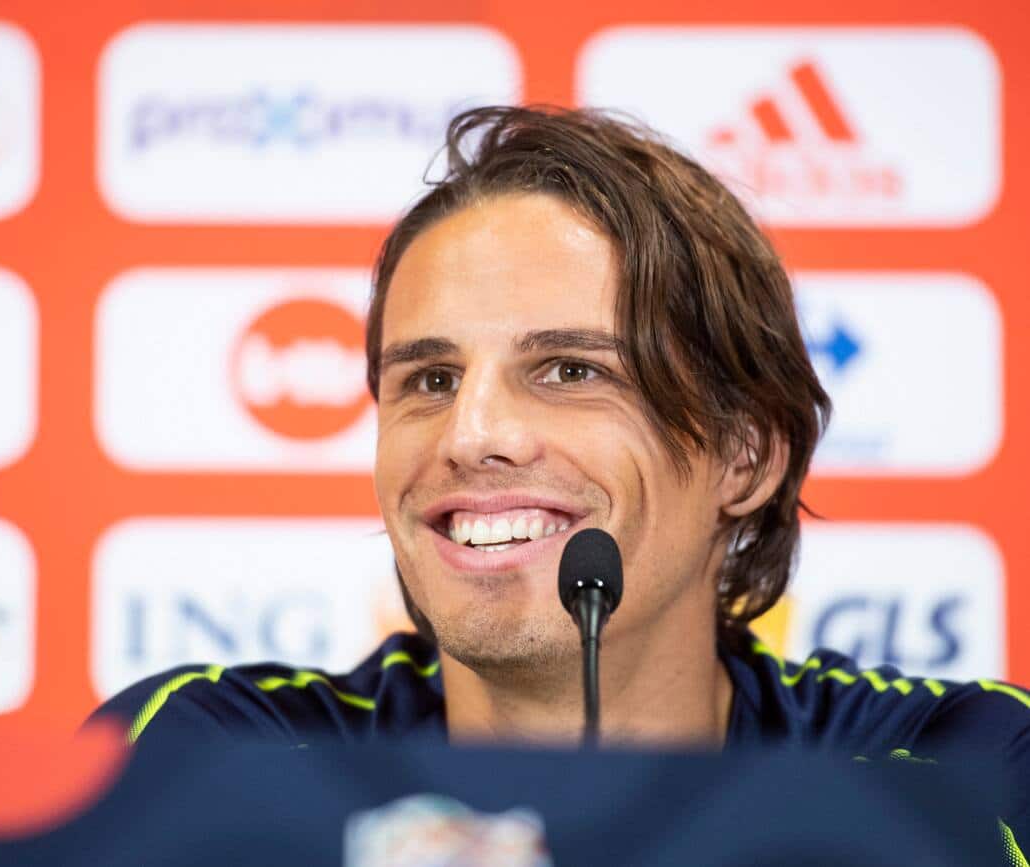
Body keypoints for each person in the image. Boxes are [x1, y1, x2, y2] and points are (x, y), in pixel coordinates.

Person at [92, 106, 1028, 860]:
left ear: (747, 456)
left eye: (571, 370)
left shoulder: (968, 764)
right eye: (429, 379)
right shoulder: (204, 751)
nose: (473, 434)